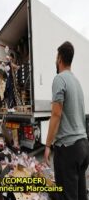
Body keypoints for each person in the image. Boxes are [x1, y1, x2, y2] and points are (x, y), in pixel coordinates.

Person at [43, 41, 89, 200]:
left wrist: (47, 145)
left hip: (68, 149)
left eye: (56, 58)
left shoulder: (59, 79)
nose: (56, 61)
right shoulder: (76, 82)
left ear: (60, 58)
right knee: (81, 195)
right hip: (83, 146)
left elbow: (56, 114)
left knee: (67, 196)